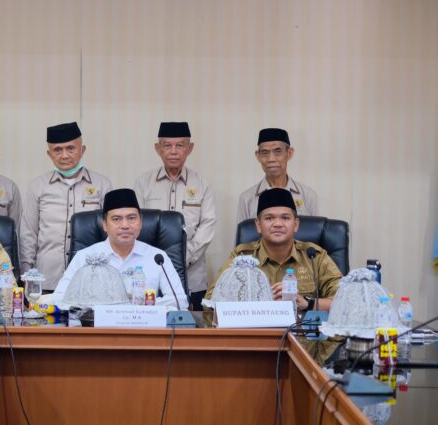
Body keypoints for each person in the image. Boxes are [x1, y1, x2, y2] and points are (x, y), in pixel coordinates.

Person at [208, 188, 341, 311]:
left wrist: (308, 303)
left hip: (302, 328)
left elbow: (343, 301)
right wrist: (260, 302)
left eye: (285, 218)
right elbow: (211, 302)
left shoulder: (314, 257)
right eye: (269, 218)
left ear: (296, 224)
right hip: (257, 328)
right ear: (258, 225)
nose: (277, 224)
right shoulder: (241, 257)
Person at [54, 189, 189, 309]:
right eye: (116, 219)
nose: (125, 225)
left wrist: (140, 303)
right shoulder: (85, 256)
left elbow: (180, 301)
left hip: (144, 325)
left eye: (131, 218)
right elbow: (59, 299)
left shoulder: (158, 257)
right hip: (98, 326)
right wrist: (101, 307)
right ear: (105, 225)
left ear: (141, 222)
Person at [20, 122, 112, 291]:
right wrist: (27, 275)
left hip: (90, 279)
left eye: (70, 148)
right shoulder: (37, 186)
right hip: (47, 279)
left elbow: (110, 233)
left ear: (82, 150)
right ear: (49, 154)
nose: (64, 155)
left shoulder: (102, 185)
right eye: (57, 150)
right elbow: (28, 234)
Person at [134, 122, 215, 310]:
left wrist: (183, 256)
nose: (173, 151)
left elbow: (208, 224)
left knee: (191, 323)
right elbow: (136, 224)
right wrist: (157, 258)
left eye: (180, 145)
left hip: (192, 275)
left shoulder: (202, 183)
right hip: (150, 274)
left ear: (189, 148)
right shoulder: (143, 183)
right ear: (158, 149)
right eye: (167, 145)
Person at [237, 128, 318, 223]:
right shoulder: (247, 199)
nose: (271, 159)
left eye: (278, 151)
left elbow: (316, 230)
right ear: (258, 156)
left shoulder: (308, 196)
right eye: (265, 153)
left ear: (289, 153)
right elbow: (242, 232)